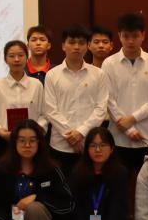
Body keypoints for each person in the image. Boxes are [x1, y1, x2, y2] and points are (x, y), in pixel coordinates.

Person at [103, 12, 148, 220]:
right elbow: (108, 99)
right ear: (119, 36)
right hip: (118, 139)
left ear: (143, 36)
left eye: (135, 36)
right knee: (120, 188)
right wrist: (128, 129)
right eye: (126, 36)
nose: (130, 41)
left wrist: (134, 119)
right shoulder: (109, 64)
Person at [43, 25, 109, 176]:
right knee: (62, 186)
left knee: (88, 186)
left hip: (89, 144)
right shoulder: (52, 75)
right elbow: (50, 110)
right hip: (60, 145)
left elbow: (101, 108)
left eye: (81, 43)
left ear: (88, 46)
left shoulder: (99, 75)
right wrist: (71, 136)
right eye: (72, 42)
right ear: (63, 45)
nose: (77, 47)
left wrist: (80, 133)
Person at [0, 40, 47, 162]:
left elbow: (44, 113)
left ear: (27, 57)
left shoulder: (36, 85)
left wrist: (36, 130)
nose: (16, 59)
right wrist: (0, 131)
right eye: (11, 56)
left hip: (32, 141)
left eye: (20, 55)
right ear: (5, 59)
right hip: (5, 141)